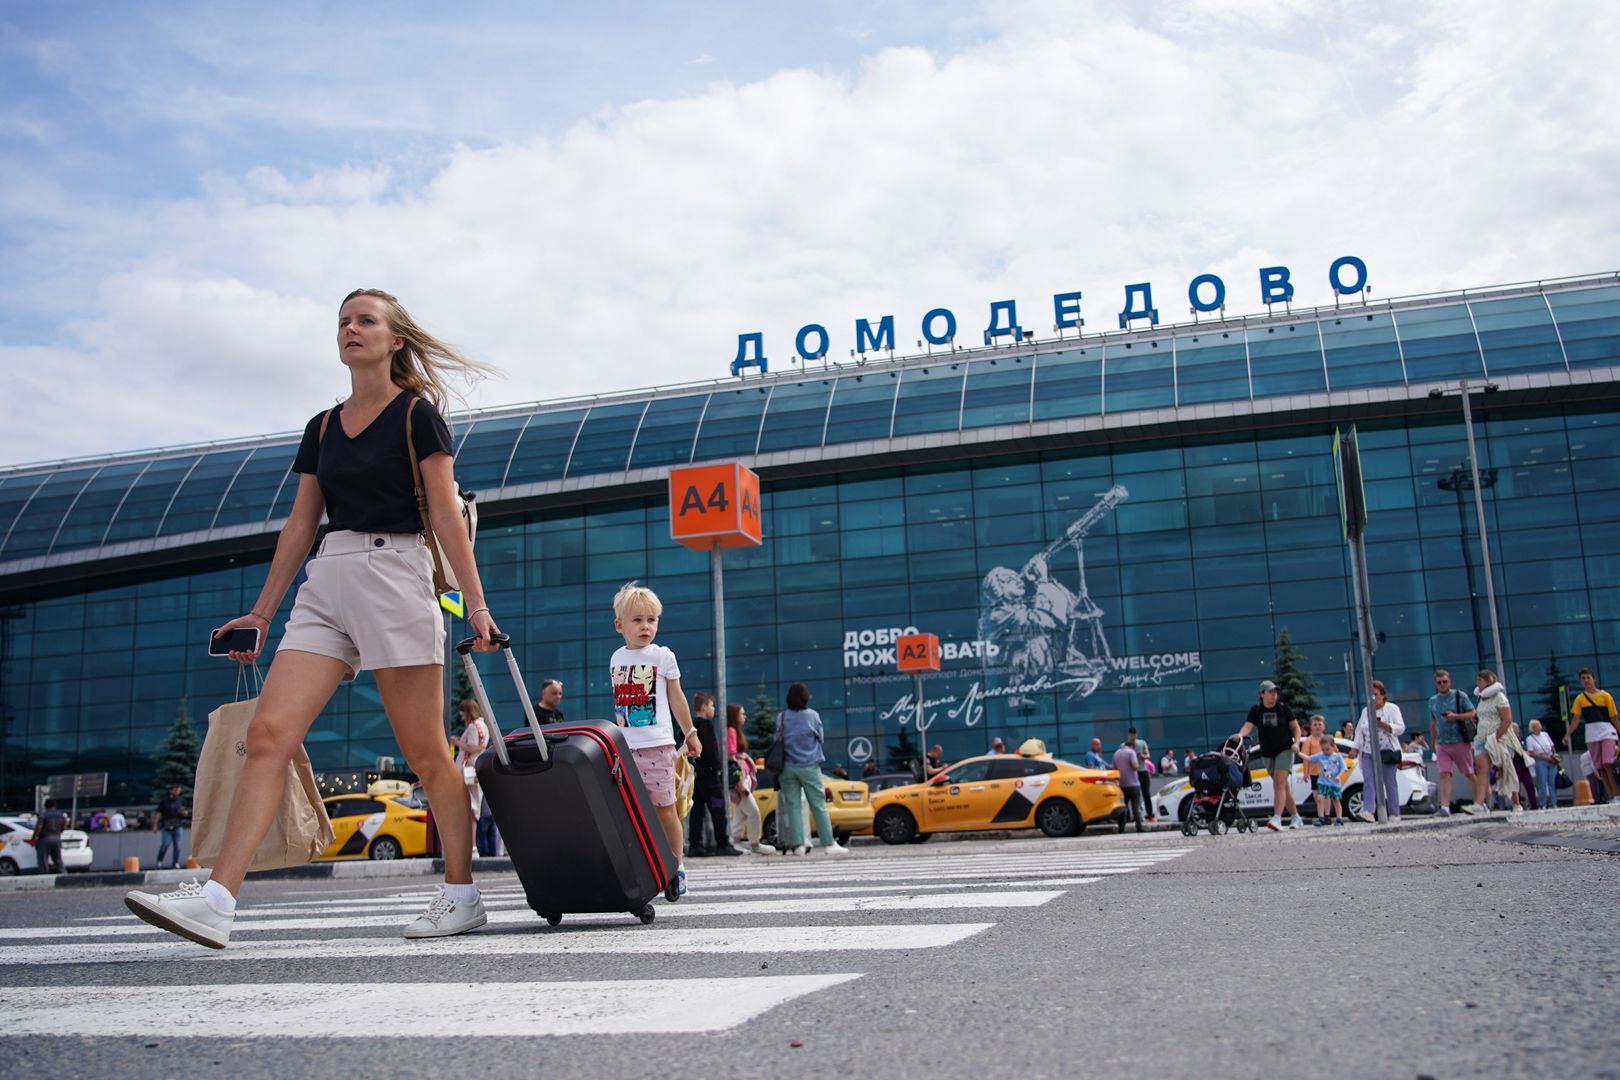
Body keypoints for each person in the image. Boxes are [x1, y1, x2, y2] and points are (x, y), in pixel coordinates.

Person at [124, 289, 501, 950]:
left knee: (424, 752)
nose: (352, 330)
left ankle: (461, 894)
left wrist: (476, 603)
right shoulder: (322, 427)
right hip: (327, 579)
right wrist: (261, 613)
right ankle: (217, 898)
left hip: (396, 572)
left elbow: (444, 516)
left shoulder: (418, 416)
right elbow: (301, 524)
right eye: (344, 322)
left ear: (395, 341)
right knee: (269, 733)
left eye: (366, 321)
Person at [610, 581, 704, 893]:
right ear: (620, 625)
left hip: (658, 748)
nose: (646, 626)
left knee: (665, 809)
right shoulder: (616, 659)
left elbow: (676, 698)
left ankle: (676, 867)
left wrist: (690, 732)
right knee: (633, 812)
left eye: (651, 620)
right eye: (637, 620)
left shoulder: (662, 656)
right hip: (625, 750)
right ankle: (646, 864)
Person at [775, 683, 847, 856]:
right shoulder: (812, 715)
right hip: (809, 766)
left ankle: (799, 845)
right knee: (818, 805)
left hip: (787, 768)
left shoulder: (782, 717)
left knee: (793, 806)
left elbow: (777, 739)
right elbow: (820, 738)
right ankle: (829, 843)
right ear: (805, 698)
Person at [1236, 680, 1303, 831]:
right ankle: (1295, 817)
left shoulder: (1283, 708)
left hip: (1285, 749)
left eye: (1275, 692)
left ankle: (1277, 818)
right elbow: (1248, 726)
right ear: (1262, 694)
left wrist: (1297, 743)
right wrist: (1239, 736)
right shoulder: (1256, 709)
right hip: (1267, 751)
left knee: (1278, 784)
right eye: (1270, 692)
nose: (1274, 695)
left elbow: (1296, 727)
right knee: (1282, 785)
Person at [686, 693, 742, 858]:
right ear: (704, 707)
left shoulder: (691, 727)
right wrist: (717, 767)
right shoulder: (707, 726)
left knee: (697, 811)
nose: (714, 709)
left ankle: (695, 845)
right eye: (711, 705)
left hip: (695, 775)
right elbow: (710, 750)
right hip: (710, 776)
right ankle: (722, 843)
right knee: (718, 809)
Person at [1428, 669, 1484, 817]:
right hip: (1442, 743)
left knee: (1469, 773)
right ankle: (1445, 807)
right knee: (1444, 773)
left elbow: (1473, 713)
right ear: (1435, 683)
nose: (1442, 684)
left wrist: (1456, 717)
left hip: (1460, 741)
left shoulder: (1459, 696)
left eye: (1444, 682)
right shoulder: (1432, 700)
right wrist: (1433, 742)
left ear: (1449, 681)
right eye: (1439, 682)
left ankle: (1480, 802)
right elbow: (1433, 722)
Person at [1354, 679, 1406, 822]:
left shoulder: (1392, 708)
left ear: (1383, 695)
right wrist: (1355, 747)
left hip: (1386, 751)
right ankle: (1369, 811)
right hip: (1368, 751)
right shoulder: (1366, 711)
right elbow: (1359, 732)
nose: (1373, 698)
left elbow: (1400, 728)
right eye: (1370, 695)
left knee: (1389, 782)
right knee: (1368, 780)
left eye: (1375, 694)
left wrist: (1385, 725)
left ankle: (1394, 813)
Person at [726, 705, 774, 854]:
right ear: (734, 716)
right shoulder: (731, 731)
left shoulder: (734, 731)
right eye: (742, 714)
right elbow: (730, 756)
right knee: (753, 812)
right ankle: (754, 843)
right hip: (740, 780)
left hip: (743, 778)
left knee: (740, 813)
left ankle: (734, 841)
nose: (744, 716)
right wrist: (740, 779)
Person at [1473, 670, 1521, 812]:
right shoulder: (1481, 699)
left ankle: (1516, 802)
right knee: (1482, 770)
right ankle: (1479, 804)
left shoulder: (1499, 697)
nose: (1477, 683)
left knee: (1505, 769)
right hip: (1482, 738)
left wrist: (1497, 736)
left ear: (1488, 681)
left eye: (1480, 680)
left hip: (1496, 738)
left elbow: (1507, 719)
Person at [1566, 668, 1618, 802]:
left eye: (1588, 677)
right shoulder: (1580, 699)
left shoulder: (1606, 696)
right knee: (1599, 766)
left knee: (1608, 762)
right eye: (1583, 678)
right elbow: (1576, 719)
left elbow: (1614, 717)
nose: (1586, 681)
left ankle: (1617, 794)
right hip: (1591, 733)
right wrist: (1567, 735)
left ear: (1594, 679)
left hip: (1607, 730)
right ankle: (1611, 795)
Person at [454, 697, 489, 848]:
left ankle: (472, 846)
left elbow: (473, 747)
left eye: (462, 713)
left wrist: (457, 743)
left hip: (470, 769)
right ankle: (473, 845)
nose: (461, 717)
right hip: (476, 768)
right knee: (474, 806)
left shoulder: (473, 726)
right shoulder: (483, 725)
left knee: (471, 808)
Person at [1307, 739, 1348, 826]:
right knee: (1320, 798)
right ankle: (1321, 818)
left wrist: (1339, 776)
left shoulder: (1337, 757)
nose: (1325, 751)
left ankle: (1339, 818)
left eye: (1328, 749)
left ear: (1333, 747)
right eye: (1323, 749)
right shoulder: (1321, 756)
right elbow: (1309, 758)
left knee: (1336, 801)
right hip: (1323, 782)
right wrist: (1297, 752)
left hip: (1334, 783)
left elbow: (1343, 768)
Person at [1526, 719, 1560, 811]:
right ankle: (1543, 803)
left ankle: (1554, 803)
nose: (1540, 727)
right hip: (1540, 761)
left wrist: (1554, 756)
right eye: (1538, 726)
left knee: (1552, 782)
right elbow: (1531, 753)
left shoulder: (1545, 735)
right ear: (1533, 728)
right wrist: (1545, 758)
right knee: (1542, 783)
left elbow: (1552, 747)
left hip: (1551, 760)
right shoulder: (1530, 739)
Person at [1112, 738, 1145, 832]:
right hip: (1133, 784)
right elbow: (1135, 766)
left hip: (1122, 784)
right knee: (1135, 806)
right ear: (1131, 746)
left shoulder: (1116, 753)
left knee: (1123, 807)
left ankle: (1121, 828)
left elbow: (1114, 768)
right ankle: (1139, 827)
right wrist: (1138, 765)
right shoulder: (1131, 752)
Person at [153, 784, 188, 870]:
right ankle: (159, 862)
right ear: (171, 791)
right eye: (175, 790)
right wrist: (155, 825)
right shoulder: (165, 801)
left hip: (177, 825)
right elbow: (158, 813)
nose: (177, 792)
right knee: (165, 844)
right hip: (166, 826)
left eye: (178, 790)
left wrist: (182, 812)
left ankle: (175, 863)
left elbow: (186, 813)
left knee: (178, 846)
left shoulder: (181, 801)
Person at [32, 798, 68, 875]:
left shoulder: (44, 815)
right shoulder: (61, 815)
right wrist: (59, 832)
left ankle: (44, 877)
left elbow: (39, 827)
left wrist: (34, 837)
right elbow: (65, 826)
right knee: (58, 859)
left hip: (45, 838)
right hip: (57, 838)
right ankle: (64, 874)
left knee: (43, 860)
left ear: (45, 806)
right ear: (55, 805)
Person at [1301, 715, 1329, 810]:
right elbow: (1306, 758)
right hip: (1315, 772)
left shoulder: (1328, 739)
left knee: (1327, 795)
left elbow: (1335, 754)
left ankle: (1327, 814)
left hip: (1327, 772)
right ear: (1311, 727)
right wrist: (1306, 773)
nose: (1317, 726)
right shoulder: (1308, 741)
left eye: (1319, 724)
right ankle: (1321, 813)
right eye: (1315, 725)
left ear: (1324, 726)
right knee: (1317, 795)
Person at [1128, 727, 1156, 822]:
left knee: (1146, 793)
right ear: (1129, 735)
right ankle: (1134, 816)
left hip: (1142, 771)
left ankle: (1150, 814)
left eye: (1134, 734)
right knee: (1134, 795)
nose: (1133, 736)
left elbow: (1148, 755)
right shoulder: (1125, 745)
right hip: (1132, 773)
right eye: (1131, 734)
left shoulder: (1142, 743)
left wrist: (1142, 756)